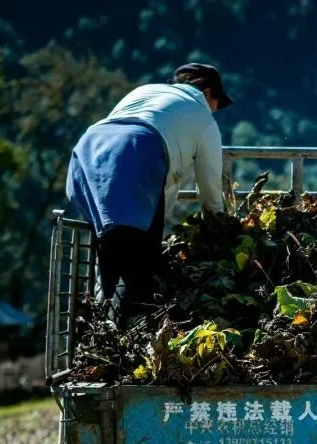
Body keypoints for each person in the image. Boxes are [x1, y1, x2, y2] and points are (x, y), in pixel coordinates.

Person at [65, 62, 233, 326]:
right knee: (141, 271)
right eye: (217, 102)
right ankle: (123, 343)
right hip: (134, 154)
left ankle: (96, 339)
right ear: (209, 92)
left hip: (88, 153)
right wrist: (219, 228)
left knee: (111, 253)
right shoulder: (202, 116)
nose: (215, 109)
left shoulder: (145, 92)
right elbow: (210, 187)